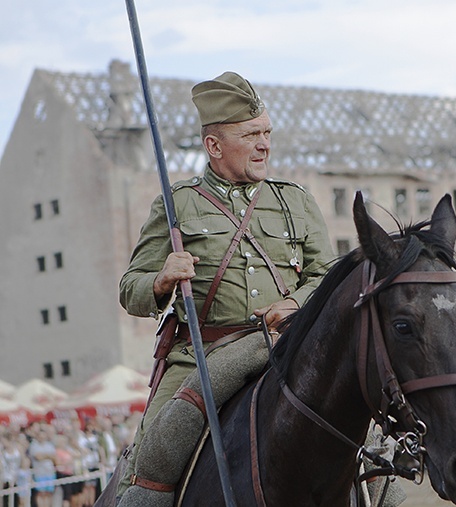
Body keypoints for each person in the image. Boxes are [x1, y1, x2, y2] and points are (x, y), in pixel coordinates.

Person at [115, 71, 336, 503]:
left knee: (369, 457)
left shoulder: (295, 201)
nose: (264, 144)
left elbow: (327, 275)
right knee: (151, 462)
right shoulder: (178, 203)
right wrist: (160, 280)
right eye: (251, 134)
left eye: (267, 132)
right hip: (202, 356)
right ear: (214, 146)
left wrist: (294, 300)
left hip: (285, 345)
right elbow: (130, 288)